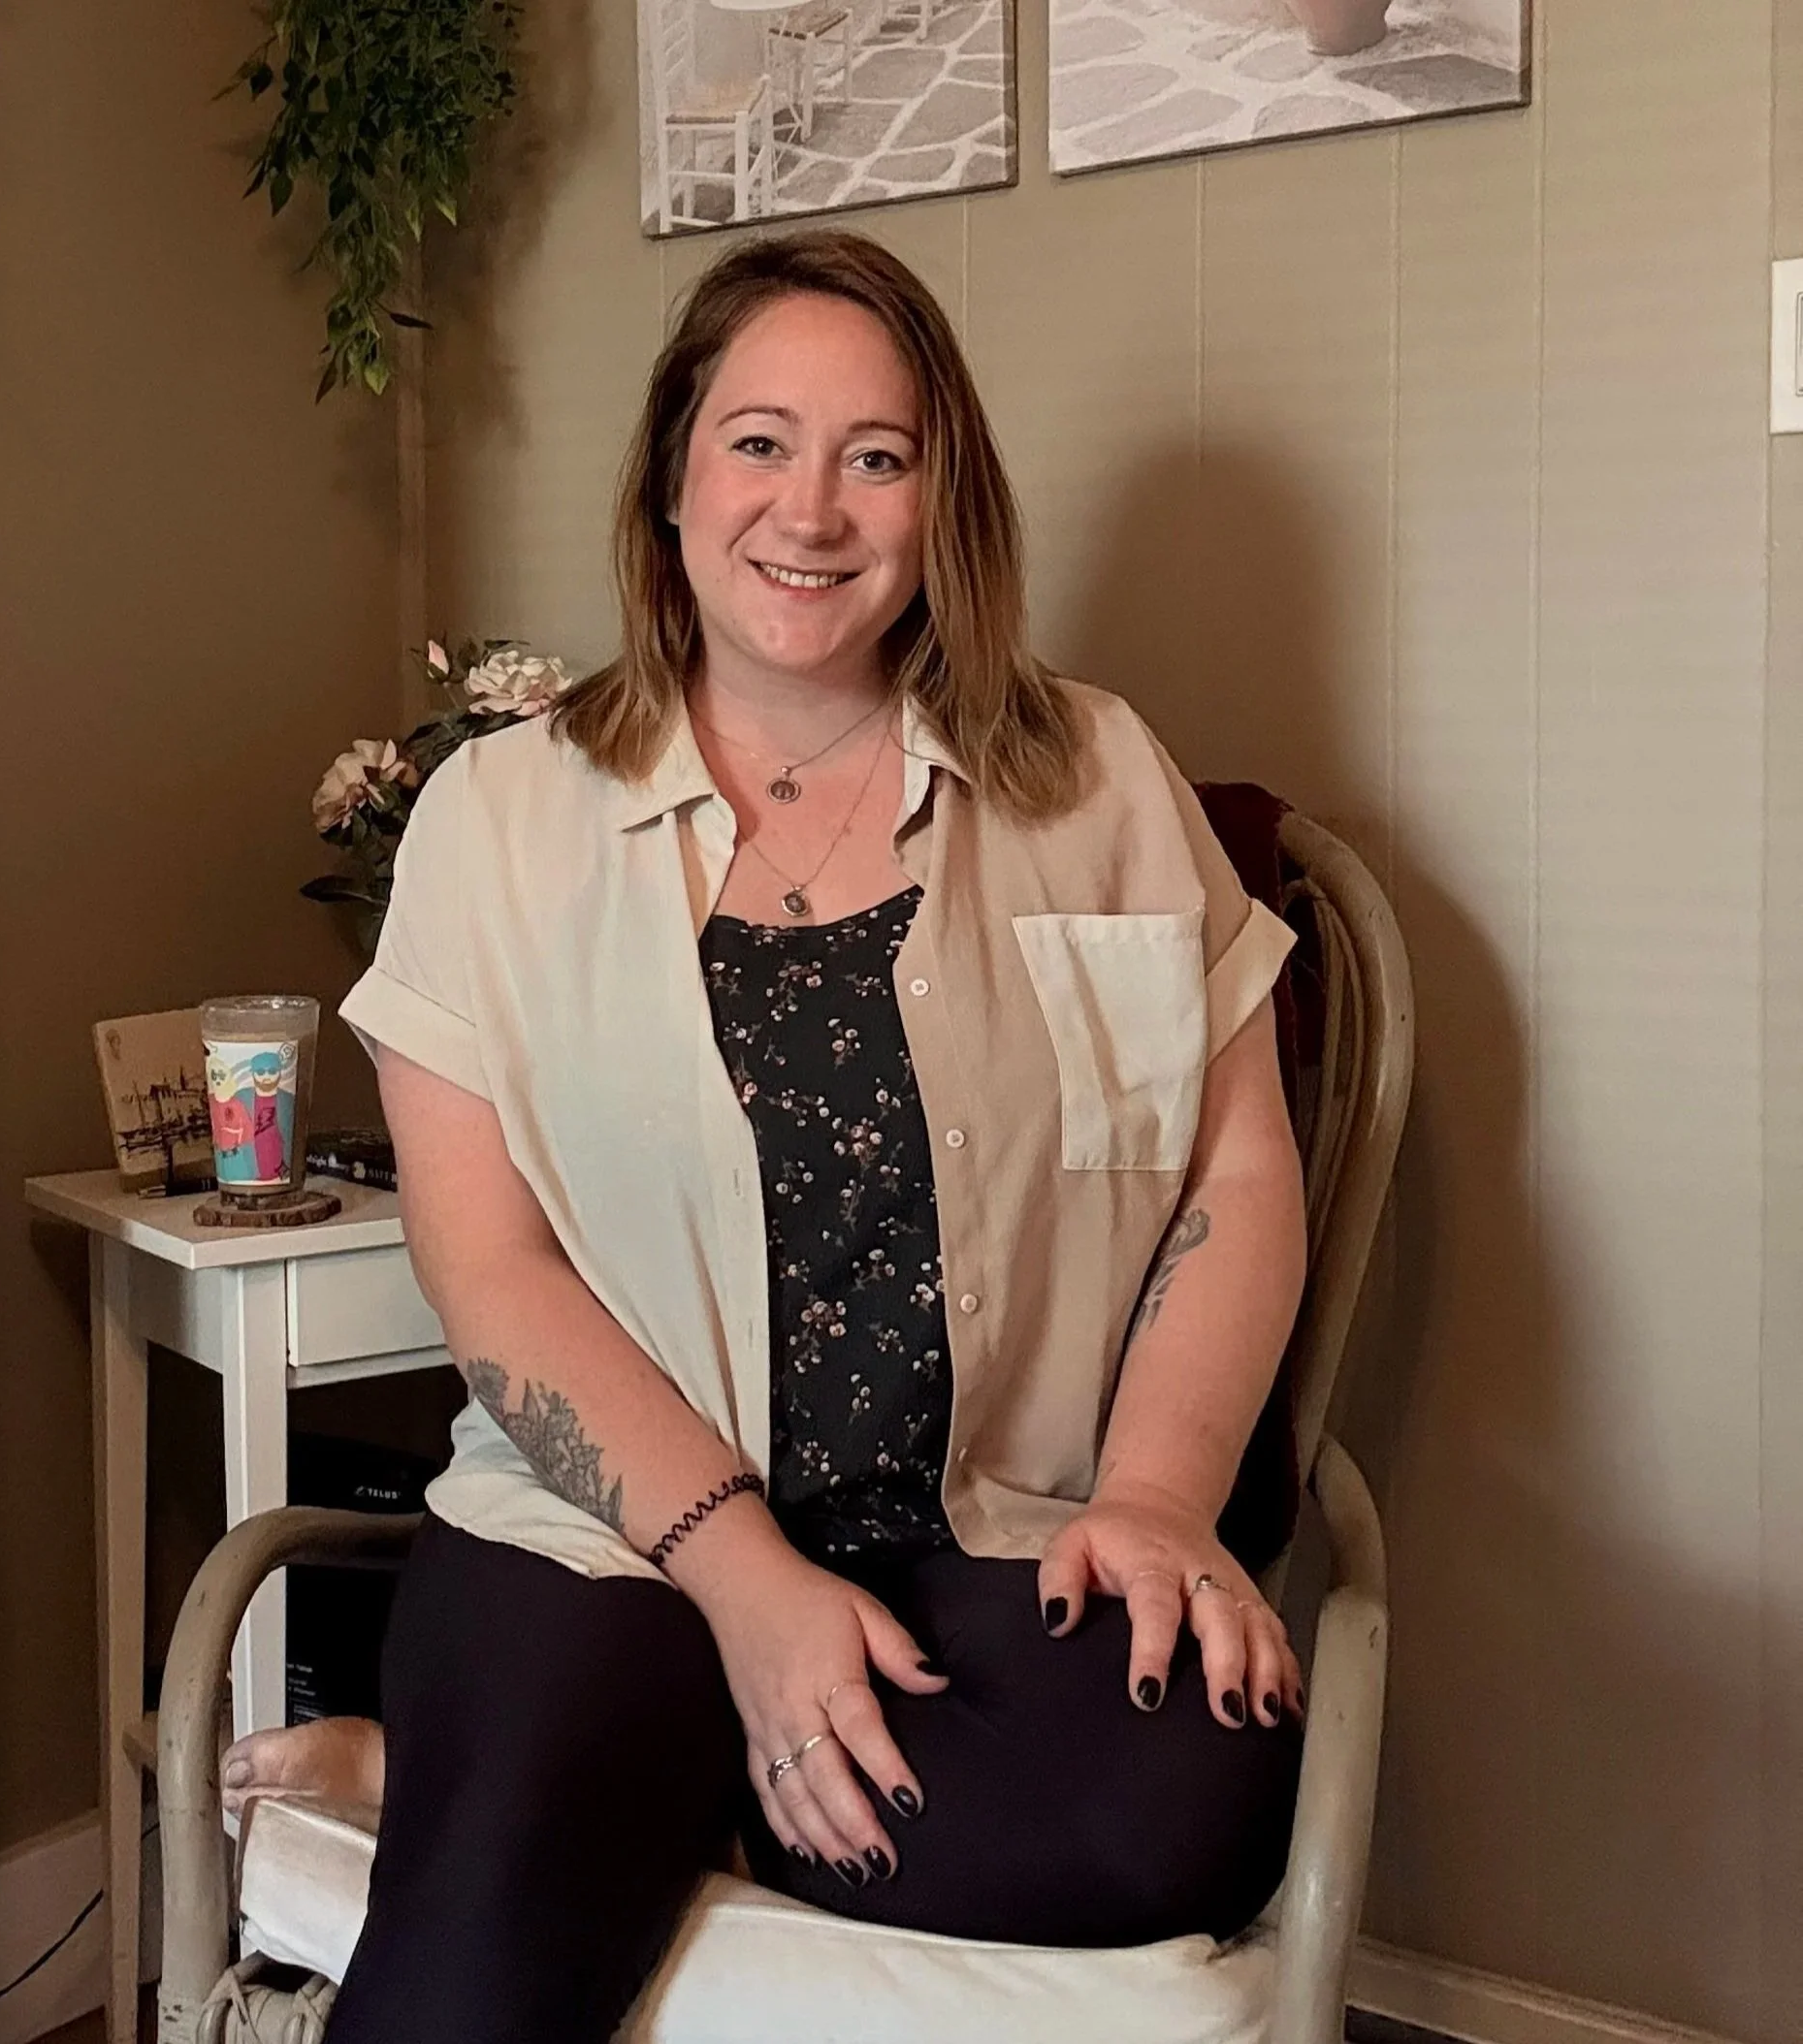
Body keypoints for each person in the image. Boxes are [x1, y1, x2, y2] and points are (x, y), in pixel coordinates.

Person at [223, 229, 1310, 2044]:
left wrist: (1154, 1501)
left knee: (1186, 1797)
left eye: (876, 455)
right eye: (758, 442)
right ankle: (547, 1780)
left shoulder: (1098, 777)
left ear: (943, 499)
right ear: (671, 480)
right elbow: (489, 1267)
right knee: (493, 1920)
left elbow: (1235, 1171)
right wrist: (752, 1594)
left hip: (989, 1537)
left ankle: (544, 1785)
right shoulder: (497, 818)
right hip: (613, 1543)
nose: (810, 510)